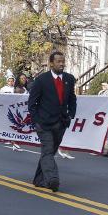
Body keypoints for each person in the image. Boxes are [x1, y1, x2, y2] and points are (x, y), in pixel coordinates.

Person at [28, 51, 77, 192]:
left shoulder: (69, 79)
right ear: (51, 63)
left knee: (48, 152)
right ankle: (52, 179)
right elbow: (32, 103)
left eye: (63, 61)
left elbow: (72, 98)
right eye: (58, 61)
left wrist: (71, 114)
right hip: (44, 124)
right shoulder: (41, 80)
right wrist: (37, 120)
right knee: (48, 150)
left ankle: (38, 179)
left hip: (61, 123)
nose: (61, 64)